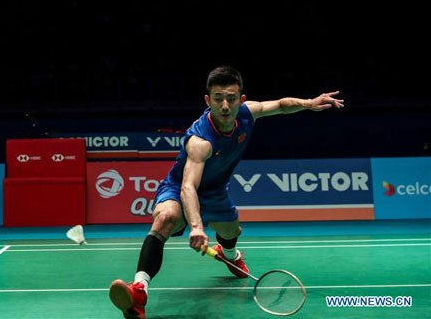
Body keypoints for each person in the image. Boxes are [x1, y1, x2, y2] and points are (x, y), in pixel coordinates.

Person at [109, 66, 344, 318]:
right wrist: (196, 226)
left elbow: (279, 105)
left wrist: (309, 103)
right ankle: (138, 291)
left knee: (233, 231)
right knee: (165, 219)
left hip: (216, 191)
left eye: (231, 98)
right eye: (218, 98)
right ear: (207, 100)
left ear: (240, 100)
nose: (224, 105)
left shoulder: (246, 114)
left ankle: (229, 255)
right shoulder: (200, 141)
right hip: (179, 189)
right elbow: (189, 186)